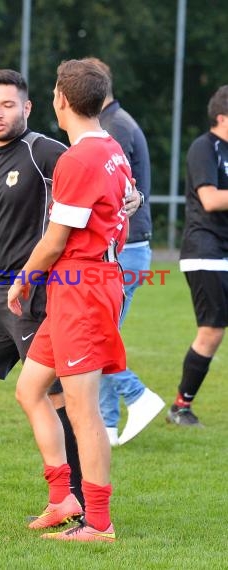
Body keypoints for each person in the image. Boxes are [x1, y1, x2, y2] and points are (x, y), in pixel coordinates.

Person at [0, 68, 142, 511]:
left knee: (58, 396)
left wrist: (135, 197)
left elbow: (105, 179)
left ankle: (76, 500)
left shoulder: (46, 152)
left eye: (8, 105)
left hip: (39, 290)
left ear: (29, 107)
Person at [8, 57, 131, 542]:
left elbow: (56, 239)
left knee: (83, 412)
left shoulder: (77, 158)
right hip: (76, 285)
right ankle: (63, 499)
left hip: (83, 285)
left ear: (61, 98)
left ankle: (98, 523)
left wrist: (22, 279)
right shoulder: (110, 148)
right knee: (30, 390)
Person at [96, 59, 165, 446]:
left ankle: (139, 396)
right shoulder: (116, 123)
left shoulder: (113, 128)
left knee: (97, 339)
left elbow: (112, 196)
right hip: (128, 249)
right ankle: (105, 426)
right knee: (104, 334)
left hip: (124, 250)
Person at [166, 85, 228, 427]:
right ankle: (179, 407)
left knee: (214, 330)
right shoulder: (204, 148)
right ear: (221, 117)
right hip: (206, 252)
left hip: (224, 252)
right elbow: (211, 199)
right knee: (211, 331)